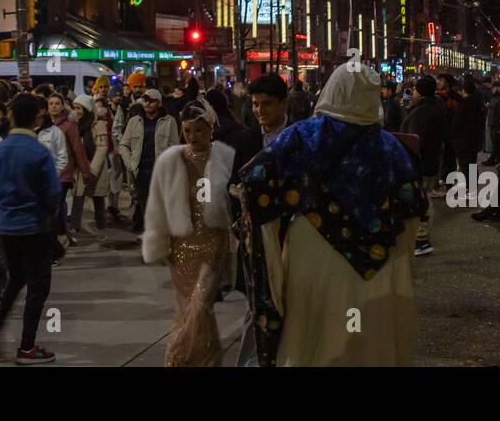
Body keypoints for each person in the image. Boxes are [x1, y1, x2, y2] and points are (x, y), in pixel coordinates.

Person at [235, 61, 425, 366]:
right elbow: (413, 209)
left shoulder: (303, 136)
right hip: (379, 263)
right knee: (368, 342)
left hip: (312, 251)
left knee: (313, 335)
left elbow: (255, 181)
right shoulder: (390, 147)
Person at [143, 99, 235, 366]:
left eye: (199, 130)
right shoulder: (171, 161)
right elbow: (158, 205)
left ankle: (177, 357)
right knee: (190, 310)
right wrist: (160, 242)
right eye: (187, 131)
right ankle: (208, 360)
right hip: (180, 248)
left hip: (214, 246)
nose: (193, 136)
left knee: (199, 306)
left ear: (210, 129)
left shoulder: (225, 159)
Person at [0, 94, 61, 364]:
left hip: (5, 227)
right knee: (38, 286)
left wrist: (0, 208)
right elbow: (52, 195)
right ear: (37, 115)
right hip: (34, 228)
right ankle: (27, 347)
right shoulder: (38, 152)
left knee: (15, 278)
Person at [118, 88, 180, 234]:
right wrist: (130, 162)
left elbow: (174, 147)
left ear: (159, 103)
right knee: (145, 204)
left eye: (151, 101)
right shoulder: (135, 121)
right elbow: (124, 145)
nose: (147, 103)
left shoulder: (169, 121)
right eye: (145, 100)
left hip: (160, 171)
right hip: (141, 171)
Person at [400, 75, 446, 253]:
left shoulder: (422, 113)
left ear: (420, 92)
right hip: (432, 160)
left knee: (421, 200)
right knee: (423, 198)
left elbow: (416, 141)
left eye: (415, 90)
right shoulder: (436, 106)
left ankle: (421, 239)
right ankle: (421, 239)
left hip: (421, 163)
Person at [47, 93, 91, 245]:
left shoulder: (70, 126)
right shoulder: (45, 125)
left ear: (63, 106)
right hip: (48, 174)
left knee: (57, 207)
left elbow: (78, 149)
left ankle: (60, 239)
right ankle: (64, 234)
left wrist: (85, 171)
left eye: (57, 103)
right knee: (56, 208)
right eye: (51, 103)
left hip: (64, 173)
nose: (54, 106)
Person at [69, 95, 111, 239]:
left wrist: (92, 170)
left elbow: (101, 148)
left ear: (86, 109)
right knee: (77, 197)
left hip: (94, 167)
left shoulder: (98, 125)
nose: (76, 111)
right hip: (81, 167)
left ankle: (101, 228)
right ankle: (74, 227)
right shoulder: (76, 125)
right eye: (75, 108)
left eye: (79, 108)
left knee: (98, 198)